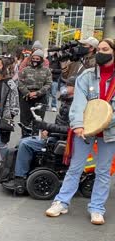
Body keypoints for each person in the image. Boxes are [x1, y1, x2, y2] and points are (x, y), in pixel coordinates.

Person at [45, 39, 115, 225]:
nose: (100, 52)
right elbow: (78, 104)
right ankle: (61, 201)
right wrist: (78, 125)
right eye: (98, 49)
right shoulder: (86, 76)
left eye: (105, 49)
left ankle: (97, 208)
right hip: (85, 129)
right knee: (75, 167)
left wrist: (103, 121)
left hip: (110, 132)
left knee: (103, 171)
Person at [9, 76, 75, 188]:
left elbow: (70, 128)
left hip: (64, 139)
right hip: (57, 136)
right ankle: (17, 171)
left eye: (68, 85)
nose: (65, 87)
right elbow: (60, 124)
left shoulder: (74, 105)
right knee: (22, 141)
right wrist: (48, 130)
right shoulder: (66, 101)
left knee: (25, 144)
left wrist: (47, 127)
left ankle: (20, 177)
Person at [18, 49, 52, 137]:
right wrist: (27, 93)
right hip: (26, 97)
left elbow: (48, 84)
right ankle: (24, 138)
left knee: (38, 120)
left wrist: (38, 93)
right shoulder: (25, 70)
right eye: (34, 58)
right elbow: (20, 82)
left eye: (38, 59)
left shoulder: (46, 70)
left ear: (41, 60)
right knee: (25, 120)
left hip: (40, 98)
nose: (35, 61)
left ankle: (36, 138)